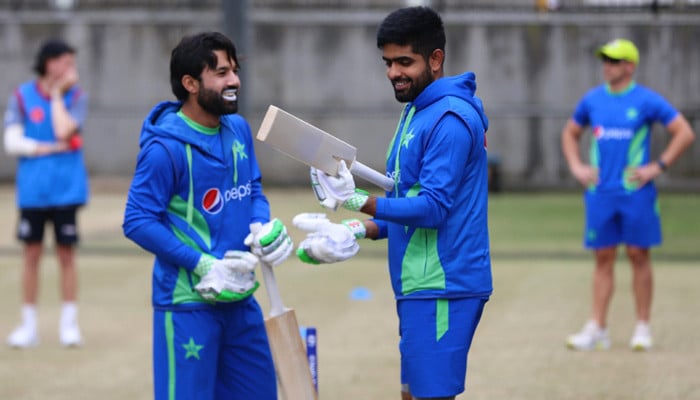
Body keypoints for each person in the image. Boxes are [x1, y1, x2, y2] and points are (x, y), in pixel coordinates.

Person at [293, 7, 492, 400]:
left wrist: (356, 201)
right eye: (388, 62)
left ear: (436, 59)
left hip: (443, 286)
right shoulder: (415, 112)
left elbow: (433, 209)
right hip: (420, 285)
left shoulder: (449, 119)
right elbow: (407, 203)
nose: (393, 73)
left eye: (405, 62)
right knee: (410, 394)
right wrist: (356, 229)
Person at [122, 31, 294, 399]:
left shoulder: (238, 130)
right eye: (220, 72)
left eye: (234, 70)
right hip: (188, 303)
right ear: (191, 84)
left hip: (241, 298)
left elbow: (253, 191)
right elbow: (137, 220)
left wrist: (260, 226)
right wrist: (202, 264)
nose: (234, 80)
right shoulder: (164, 149)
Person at [561, 38, 695, 351]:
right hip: (600, 194)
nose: (607, 65)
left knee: (638, 256)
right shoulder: (592, 100)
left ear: (630, 66)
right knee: (603, 258)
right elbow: (570, 132)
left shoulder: (647, 100)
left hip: (636, 193)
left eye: (614, 60)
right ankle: (597, 328)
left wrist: (657, 166)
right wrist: (576, 166)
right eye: (605, 60)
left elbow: (684, 132)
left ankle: (643, 328)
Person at [3, 39, 89, 348]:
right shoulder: (22, 96)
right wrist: (46, 148)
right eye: (66, 62)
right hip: (33, 192)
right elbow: (12, 142)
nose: (71, 69)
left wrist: (55, 96)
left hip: (66, 189)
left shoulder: (76, 95)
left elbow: (67, 130)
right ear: (49, 62)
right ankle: (28, 327)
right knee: (32, 255)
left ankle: (69, 326)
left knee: (66, 255)